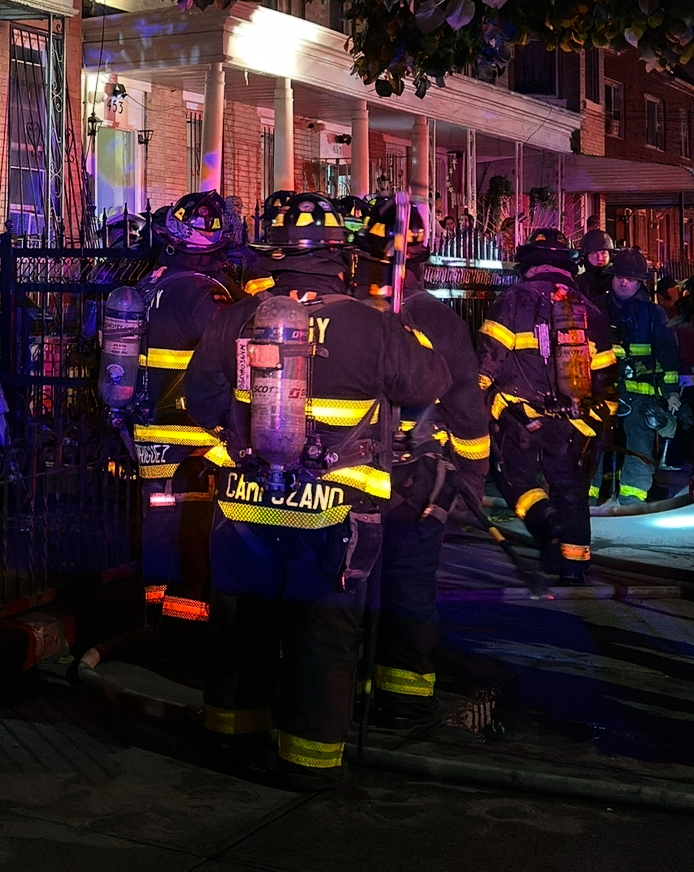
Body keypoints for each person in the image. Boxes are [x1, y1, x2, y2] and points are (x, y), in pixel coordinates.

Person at [185, 191, 449, 787]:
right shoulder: (374, 326)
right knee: (321, 635)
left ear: (274, 257)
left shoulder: (238, 318)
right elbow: (429, 381)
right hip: (337, 511)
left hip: (246, 505)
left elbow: (200, 396)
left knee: (240, 626)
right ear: (341, 258)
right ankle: (307, 764)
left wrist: (238, 441)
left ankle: (229, 741)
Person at [355, 196, 487, 726]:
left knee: (350, 581)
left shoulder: (339, 310)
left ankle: (349, 687)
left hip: (345, 475)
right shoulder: (438, 318)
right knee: (408, 583)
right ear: (425, 258)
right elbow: (467, 411)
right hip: (416, 481)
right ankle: (405, 697)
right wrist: (471, 479)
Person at [481, 228, 616, 583]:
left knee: (515, 476)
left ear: (528, 264)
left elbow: (487, 361)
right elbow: (606, 376)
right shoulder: (588, 310)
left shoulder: (514, 300)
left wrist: (468, 407)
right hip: (574, 419)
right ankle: (573, 561)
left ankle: (547, 527)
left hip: (521, 419)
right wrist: (598, 422)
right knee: (570, 486)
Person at [131, 192, 239, 630]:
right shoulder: (204, 294)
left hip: (149, 431)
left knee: (157, 519)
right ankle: (185, 623)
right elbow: (234, 355)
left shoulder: (149, 282)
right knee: (193, 526)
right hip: (194, 437)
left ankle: (151, 610)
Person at [589, 248, 680, 504]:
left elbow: (668, 356)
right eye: (619, 276)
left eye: (629, 278)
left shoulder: (653, 315)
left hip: (640, 397)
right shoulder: (595, 309)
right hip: (600, 392)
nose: (623, 281)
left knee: (638, 440)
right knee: (593, 439)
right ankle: (589, 493)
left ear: (640, 281)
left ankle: (632, 497)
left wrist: (671, 392)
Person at [578, 227, 614, 300]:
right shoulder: (581, 282)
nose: (599, 257)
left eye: (603, 253)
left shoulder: (615, 280)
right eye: (594, 253)